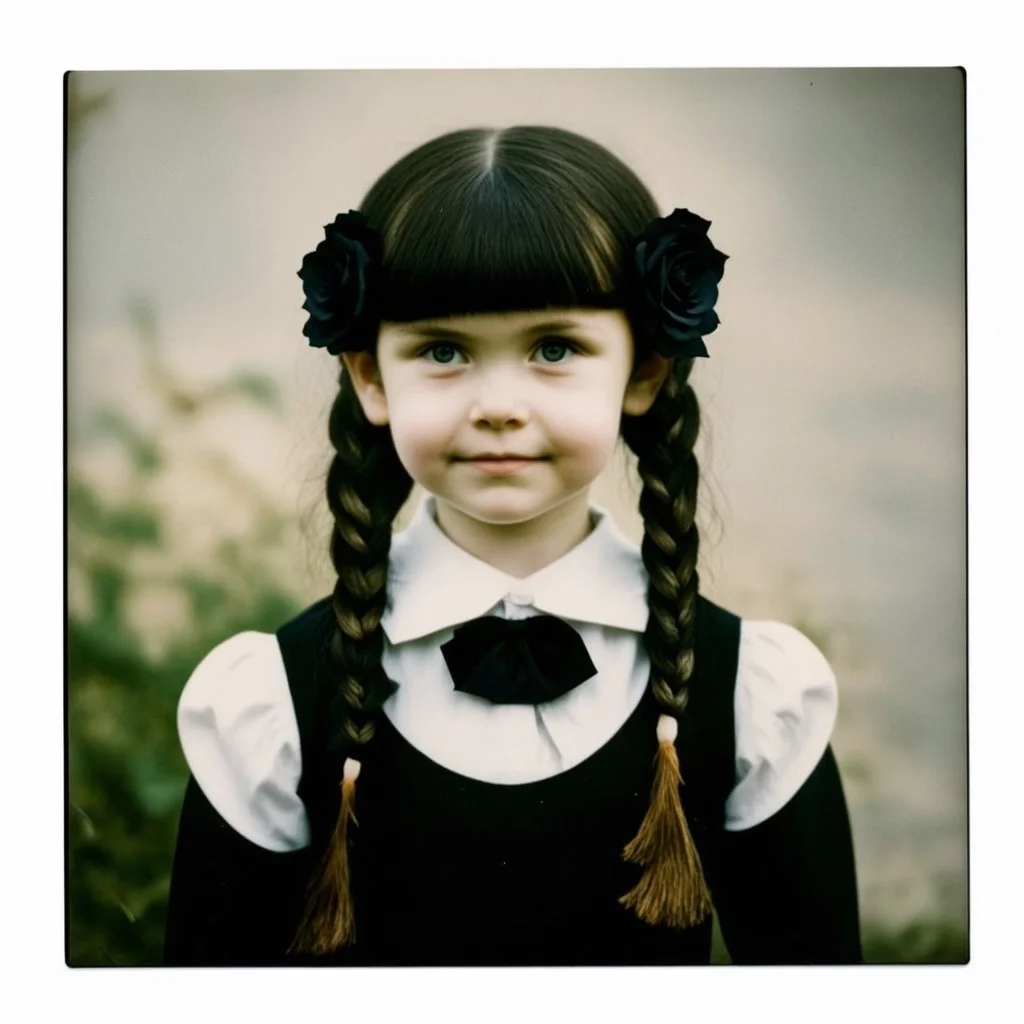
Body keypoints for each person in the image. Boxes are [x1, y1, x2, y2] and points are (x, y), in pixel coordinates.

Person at [163, 125, 862, 967]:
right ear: (370, 376)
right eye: (443, 351)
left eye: (554, 348)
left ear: (645, 370)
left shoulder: (751, 697)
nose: (498, 403)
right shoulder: (270, 708)